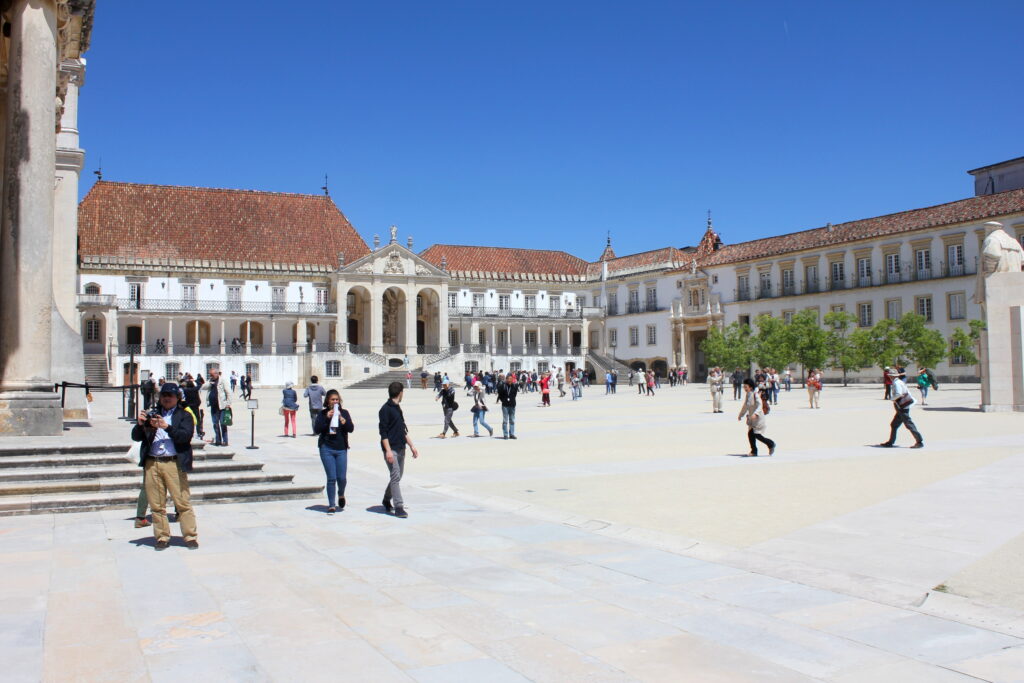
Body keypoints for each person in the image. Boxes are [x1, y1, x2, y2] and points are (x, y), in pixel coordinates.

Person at [131, 383, 198, 550]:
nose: (167, 398)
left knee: (182, 502)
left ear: (177, 398)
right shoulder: (152, 414)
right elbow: (136, 437)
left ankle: (190, 536)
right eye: (164, 395)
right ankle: (162, 536)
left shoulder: (184, 416)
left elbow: (185, 437)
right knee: (156, 504)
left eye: (170, 395)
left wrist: (166, 427)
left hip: (173, 463)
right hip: (152, 463)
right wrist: (140, 424)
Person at [379, 381, 420, 518]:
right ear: (400, 393)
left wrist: (412, 445)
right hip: (391, 449)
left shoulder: (397, 408)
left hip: (401, 447)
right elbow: (383, 433)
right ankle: (399, 506)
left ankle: (386, 498)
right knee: (396, 476)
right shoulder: (385, 409)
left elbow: (402, 429)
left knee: (397, 476)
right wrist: (388, 451)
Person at [314, 389, 353, 514]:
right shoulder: (322, 413)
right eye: (332, 399)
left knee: (341, 478)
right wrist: (326, 418)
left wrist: (344, 421)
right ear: (327, 401)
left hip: (341, 449)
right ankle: (331, 505)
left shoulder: (344, 413)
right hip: (326, 448)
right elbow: (317, 429)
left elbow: (351, 429)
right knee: (331, 478)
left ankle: (341, 494)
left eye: (337, 399)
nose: (335, 401)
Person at [878, 369, 924, 449]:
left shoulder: (896, 383)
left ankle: (919, 441)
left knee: (909, 424)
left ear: (891, 376)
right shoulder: (899, 382)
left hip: (902, 407)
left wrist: (892, 398)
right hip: (902, 407)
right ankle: (890, 442)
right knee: (894, 425)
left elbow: (898, 394)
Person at [738, 378, 775, 457]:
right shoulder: (748, 394)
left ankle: (771, 444)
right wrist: (741, 414)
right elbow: (745, 406)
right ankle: (754, 451)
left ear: (750, 387)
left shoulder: (755, 394)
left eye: (746, 387)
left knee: (756, 434)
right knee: (751, 434)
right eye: (744, 387)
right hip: (752, 418)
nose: (744, 388)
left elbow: (760, 405)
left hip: (758, 418)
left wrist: (756, 414)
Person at [205, 368, 231, 446]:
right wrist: (209, 383)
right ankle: (218, 440)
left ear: (217, 374)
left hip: (222, 406)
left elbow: (228, 392)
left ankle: (225, 441)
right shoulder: (211, 381)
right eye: (210, 375)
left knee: (223, 424)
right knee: (215, 424)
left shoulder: (222, 381)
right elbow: (203, 387)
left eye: (212, 375)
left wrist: (228, 403)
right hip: (213, 406)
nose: (211, 376)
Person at [497, 371, 519, 439]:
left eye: (511, 379)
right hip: (505, 405)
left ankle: (512, 434)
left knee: (512, 420)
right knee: (505, 420)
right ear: (506, 379)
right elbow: (500, 395)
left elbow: (514, 395)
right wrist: (504, 400)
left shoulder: (514, 386)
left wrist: (511, 400)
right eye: (509, 378)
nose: (510, 380)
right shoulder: (503, 386)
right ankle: (505, 434)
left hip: (512, 405)